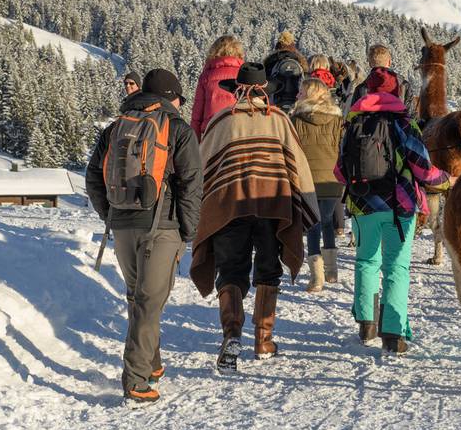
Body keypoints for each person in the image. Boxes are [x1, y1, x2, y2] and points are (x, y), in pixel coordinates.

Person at [190, 62, 320, 373]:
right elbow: (298, 166)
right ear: (265, 91)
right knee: (268, 268)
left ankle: (232, 334)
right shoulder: (279, 120)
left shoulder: (222, 121)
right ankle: (263, 340)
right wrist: (308, 207)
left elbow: (202, 167)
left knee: (230, 269)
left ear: (236, 91)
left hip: (229, 206)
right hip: (271, 206)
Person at [86, 69, 202, 403]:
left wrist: (110, 214)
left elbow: (93, 176)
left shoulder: (115, 127)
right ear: (171, 97)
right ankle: (135, 379)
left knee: (139, 298)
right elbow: (191, 184)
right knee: (149, 302)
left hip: (122, 224)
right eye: (179, 98)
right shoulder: (178, 129)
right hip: (160, 227)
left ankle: (151, 362)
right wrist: (188, 229)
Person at [336, 67, 453, 354]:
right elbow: (424, 171)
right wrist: (449, 180)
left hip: (363, 205)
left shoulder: (353, 123)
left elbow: (339, 172)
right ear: (396, 91)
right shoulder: (404, 124)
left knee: (366, 262)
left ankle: (366, 324)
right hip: (399, 208)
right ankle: (393, 334)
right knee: (396, 268)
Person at [291, 78, 345, 292]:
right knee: (327, 222)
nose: (298, 95)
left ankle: (317, 277)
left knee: (312, 224)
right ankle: (332, 270)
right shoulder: (337, 120)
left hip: (308, 179)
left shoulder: (296, 120)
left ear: (309, 95)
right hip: (332, 179)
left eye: (301, 92)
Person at [191, 35, 245, 140]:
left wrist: (195, 143)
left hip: (212, 132)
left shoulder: (206, 76)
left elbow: (197, 117)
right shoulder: (244, 75)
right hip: (238, 131)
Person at [349, 44, 414, 110]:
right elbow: (411, 114)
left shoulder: (361, 88)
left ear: (370, 64)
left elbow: (353, 114)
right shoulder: (404, 85)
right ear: (389, 62)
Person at [262, 31, 308, 112]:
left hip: (275, 104)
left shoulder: (270, 61)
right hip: (295, 102)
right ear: (293, 46)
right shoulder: (300, 62)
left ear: (278, 46)